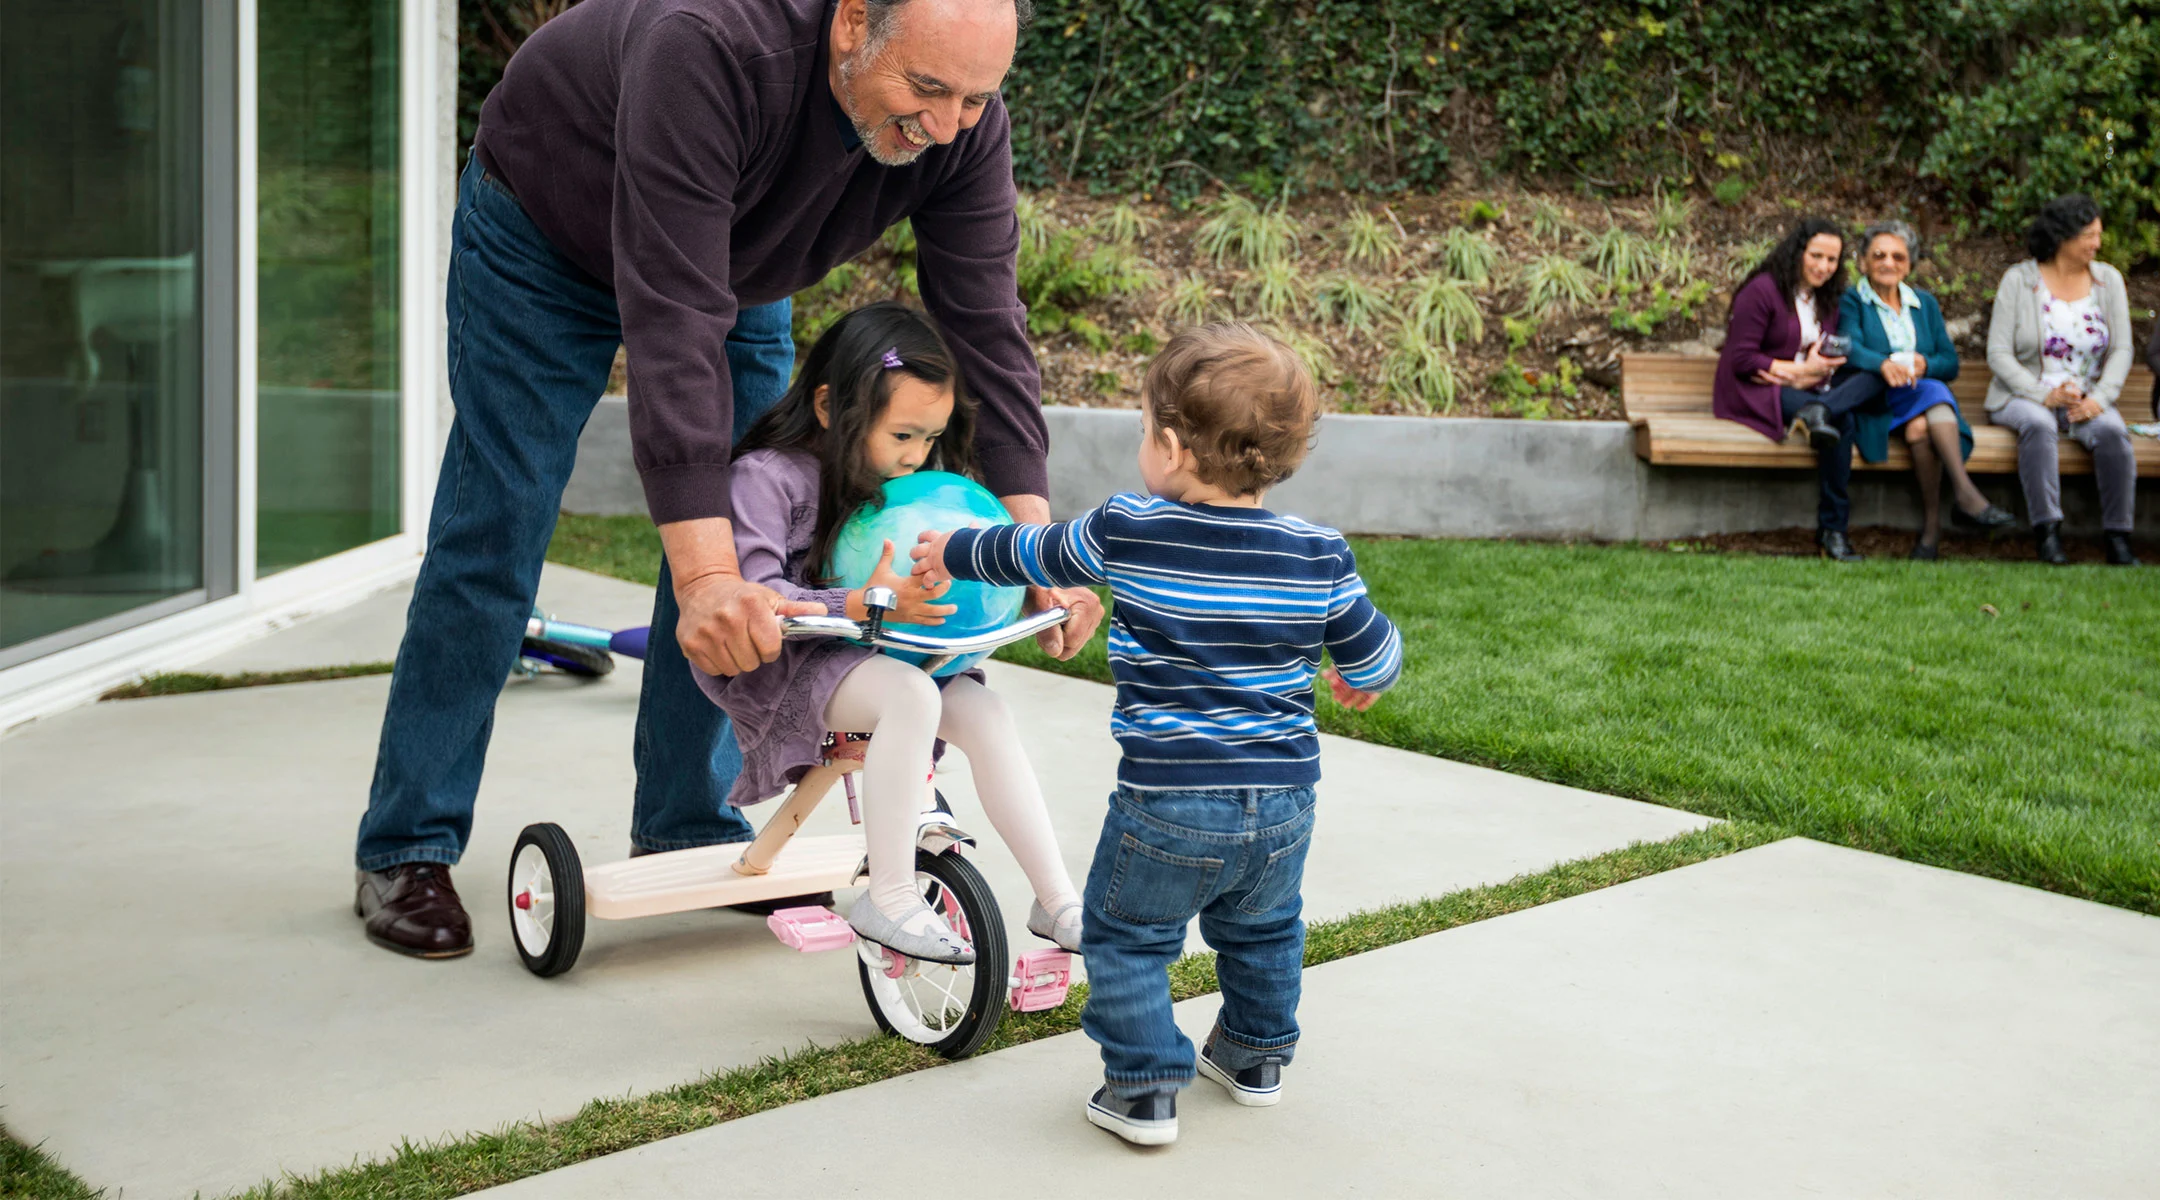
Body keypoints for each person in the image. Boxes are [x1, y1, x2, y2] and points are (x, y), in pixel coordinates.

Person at [351, 0, 1103, 959]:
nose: (949, 123)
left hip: (735, 264)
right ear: (852, 24)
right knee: (502, 521)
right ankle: (408, 842)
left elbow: (987, 325)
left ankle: (685, 822)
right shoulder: (709, 47)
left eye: (975, 98)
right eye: (926, 90)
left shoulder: (961, 119)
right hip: (548, 236)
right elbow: (673, 329)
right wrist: (704, 576)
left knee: (756, 542)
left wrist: (1028, 547)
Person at [914, 324, 1405, 1146]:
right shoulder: (1318, 552)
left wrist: (950, 548)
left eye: (1144, 429)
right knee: (1266, 929)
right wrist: (1363, 676)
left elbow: (1029, 550)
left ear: (1171, 448)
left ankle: (1143, 1089)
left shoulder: (1130, 527)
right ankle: (1254, 1059)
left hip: (1168, 802)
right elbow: (1375, 652)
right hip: (1283, 803)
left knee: (1126, 936)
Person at [695, 303, 1082, 960]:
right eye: (902, 435)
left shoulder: (913, 485)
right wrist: (869, 601)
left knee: (983, 710)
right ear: (828, 407)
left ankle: (1058, 901)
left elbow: (964, 562)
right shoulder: (768, 477)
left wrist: (1030, 584)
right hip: (792, 666)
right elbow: (757, 599)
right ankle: (891, 895)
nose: (918, 456)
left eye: (930, 438)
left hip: (892, 656)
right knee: (910, 697)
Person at [1839, 220, 2014, 559]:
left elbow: (1949, 362)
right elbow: (1850, 347)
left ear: (1910, 264)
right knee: (1934, 393)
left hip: (1916, 402)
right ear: (1863, 261)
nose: (1888, 263)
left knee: (1922, 422)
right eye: (1879, 255)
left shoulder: (1925, 304)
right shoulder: (1852, 301)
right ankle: (1965, 494)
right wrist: (1883, 364)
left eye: (1898, 257)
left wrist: (1925, 365)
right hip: (1874, 398)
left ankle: (1931, 534)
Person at [1714, 218, 1884, 562]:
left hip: (1813, 387)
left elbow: (1824, 349)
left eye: (1832, 260)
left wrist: (1819, 366)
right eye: (1816, 256)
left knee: (1875, 376)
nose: (1823, 267)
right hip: (1759, 388)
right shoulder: (1762, 291)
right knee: (1844, 421)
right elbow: (1742, 359)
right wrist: (1796, 372)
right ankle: (1833, 531)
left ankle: (1821, 410)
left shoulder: (1828, 298)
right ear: (1798, 252)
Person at [1985, 194, 2139, 567]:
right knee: (2038, 425)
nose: (2096, 244)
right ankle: (2048, 534)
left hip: (2085, 397)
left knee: (2113, 433)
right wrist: (2043, 393)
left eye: (2098, 235)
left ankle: (2118, 538)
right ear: (2062, 236)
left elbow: (2122, 349)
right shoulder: (2019, 281)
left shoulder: (2108, 281)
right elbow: (1998, 353)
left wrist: (2100, 399)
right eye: (2088, 235)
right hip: (2023, 395)